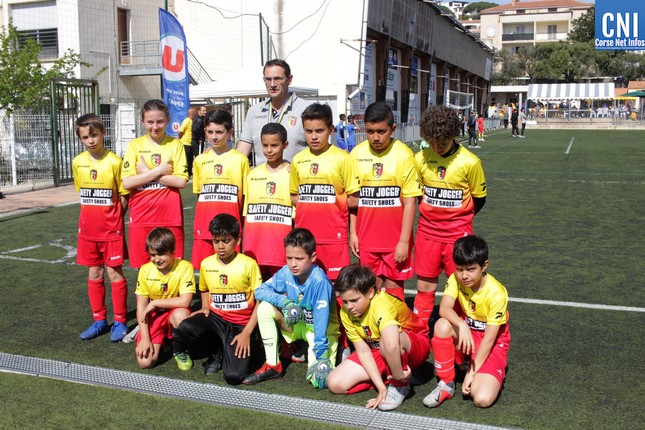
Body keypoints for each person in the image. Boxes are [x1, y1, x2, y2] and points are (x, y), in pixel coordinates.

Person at [412, 105, 487, 325]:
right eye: (432, 142)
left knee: (462, 285)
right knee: (424, 286)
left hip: (458, 235)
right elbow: (418, 196)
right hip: (427, 233)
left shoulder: (470, 162)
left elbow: (479, 198)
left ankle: (458, 333)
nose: (436, 147)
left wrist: (457, 219)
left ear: (454, 135)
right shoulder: (420, 158)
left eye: (442, 143)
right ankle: (419, 333)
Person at [242, 228, 339, 387]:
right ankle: (273, 365)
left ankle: (322, 351)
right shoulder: (286, 272)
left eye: (299, 258)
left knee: (319, 382)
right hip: (298, 323)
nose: (293, 264)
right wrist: (285, 302)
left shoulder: (319, 281)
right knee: (264, 308)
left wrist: (321, 356)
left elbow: (321, 323)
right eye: (289, 258)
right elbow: (260, 291)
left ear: (313, 257)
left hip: (320, 333)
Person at [173, 214, 263, 384]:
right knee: (186, 327)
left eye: (225, 241)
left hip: (241, 324)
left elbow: (260, 300)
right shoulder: (206, 264)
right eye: (216, 241)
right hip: (217, 319)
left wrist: (247, 331)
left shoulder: (248, 264)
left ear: (238, 240)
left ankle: (254, 341)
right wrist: (205, 306)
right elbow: (204, 288)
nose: (220, 246)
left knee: (233, 377)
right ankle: (216, 350)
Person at [327, 264, 430, 411]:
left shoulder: (382, 304)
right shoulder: (346, 312)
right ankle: (388, 379)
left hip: (414, 345)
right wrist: (380, 387)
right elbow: (363, 352)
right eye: (345, 301)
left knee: (387, 341)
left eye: (354, 300)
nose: (349, 306)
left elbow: (392, 345)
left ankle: (399, 385)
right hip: (379, 348)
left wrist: (398, 376)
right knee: (335, 383)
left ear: (370, 292)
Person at [424, 235, 510, 409]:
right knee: (442, 325)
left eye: (471, 269)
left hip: (491, 343)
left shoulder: (497, 293)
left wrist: (471, 373)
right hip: (468, 334)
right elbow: (444, 309)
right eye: (459, 269)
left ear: (484, 266)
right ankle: (446, 384)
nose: (464, 276)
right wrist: (462, 324)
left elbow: (489, 340)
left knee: (482, 399)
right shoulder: (455, 279)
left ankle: (468, 368)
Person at [349, 101, 421, 301]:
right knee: (371, 285)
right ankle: (374, 322)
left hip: (395, 239)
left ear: (393, 129)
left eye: (381, 131)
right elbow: (354, 200)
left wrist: (404, 241)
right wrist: (353, 233)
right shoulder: (356, 155)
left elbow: (410, 202)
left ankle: (396, 321)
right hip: (366, 237)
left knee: (394, 285)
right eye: (370, 132)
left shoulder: (404, 155)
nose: (375, 137)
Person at [73, 114, 130, 342]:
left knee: (114, 273)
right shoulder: (78, 162)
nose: (90, 140)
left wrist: (115, 219)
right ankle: (99, 321)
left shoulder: (115, 162)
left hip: (111, 231)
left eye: (94, 135)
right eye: (85, 137)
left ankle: (120, 321)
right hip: (87, 230)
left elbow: (124, 195)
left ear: (103, 133)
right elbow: (84, 195)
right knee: (94, 272)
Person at [290, 103, 360, 282]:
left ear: (331, 130)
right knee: (305, 283)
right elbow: (294, 195)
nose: (313, 136)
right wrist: (313, 202)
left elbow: (354, 199)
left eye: (319, 131)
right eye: (309, 131)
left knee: (335, 284)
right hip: (304, 238)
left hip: (333, 236)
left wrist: (330, 202)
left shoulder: (343, 159)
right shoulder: (298, 160)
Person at [121, 99, 189, 269]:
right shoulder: (134, 146)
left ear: (168, 120)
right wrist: (158, 171)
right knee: (144, 268)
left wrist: (145, 173)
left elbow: (180, 181)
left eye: (160, 122)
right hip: (141, 216)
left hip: (170, 216)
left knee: (173, 267)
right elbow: (127, 182)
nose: (155, 127)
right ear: (142, 122)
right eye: (150, 122)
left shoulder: (175, 145)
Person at [191, 109, 249, 270]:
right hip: (204, 226)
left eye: (219, 132)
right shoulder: (200, 160)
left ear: (230, 132)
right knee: (205, 270)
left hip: (231, 227)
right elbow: (199, 195)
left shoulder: (240, 160)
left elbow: (244, 197)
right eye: (210, 132)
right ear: (205, 131)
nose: (214, 137)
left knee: (230, 270)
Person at [134, 227, 195, 369]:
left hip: (174, 312)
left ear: (173, 250)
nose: (156, 259)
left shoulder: (185, 267)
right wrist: (145, 338)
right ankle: (163, 340)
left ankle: (179, 349)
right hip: (154, 316)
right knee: (145, 362)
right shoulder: (145, 270)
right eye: (152, 255)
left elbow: (185, 301)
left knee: (181, 315)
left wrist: (155, 302)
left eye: (161, 254)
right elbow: (141, 308)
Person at [243, 122, 294, 280]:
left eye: (274, 145)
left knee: (282, 288)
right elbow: (247, 214)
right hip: (254, 247)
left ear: (285, 144)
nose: (269, 150)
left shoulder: (292, 173)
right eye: (265, 145)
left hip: (281, 247)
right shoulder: (252, 175)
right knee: (256, 288)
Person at [237, 59, 312, 166]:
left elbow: (318, 150)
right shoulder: (254, 111)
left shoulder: (306, 109)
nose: (272, 84)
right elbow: (242, 151)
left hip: (294, 175)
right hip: (262, 175)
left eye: (277, 79)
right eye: (268, 79)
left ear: (289, 79)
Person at [178, 107, 196, 177]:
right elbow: (180, 131)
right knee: (186, 158)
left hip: (191, 143)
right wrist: (181, 138)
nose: (196, 115)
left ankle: (189, 172)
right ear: (192, 114)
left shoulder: (193, 121)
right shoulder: (186, 121)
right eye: (195, 113)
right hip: (185, 143)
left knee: (190, 158)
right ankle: (184, 172)